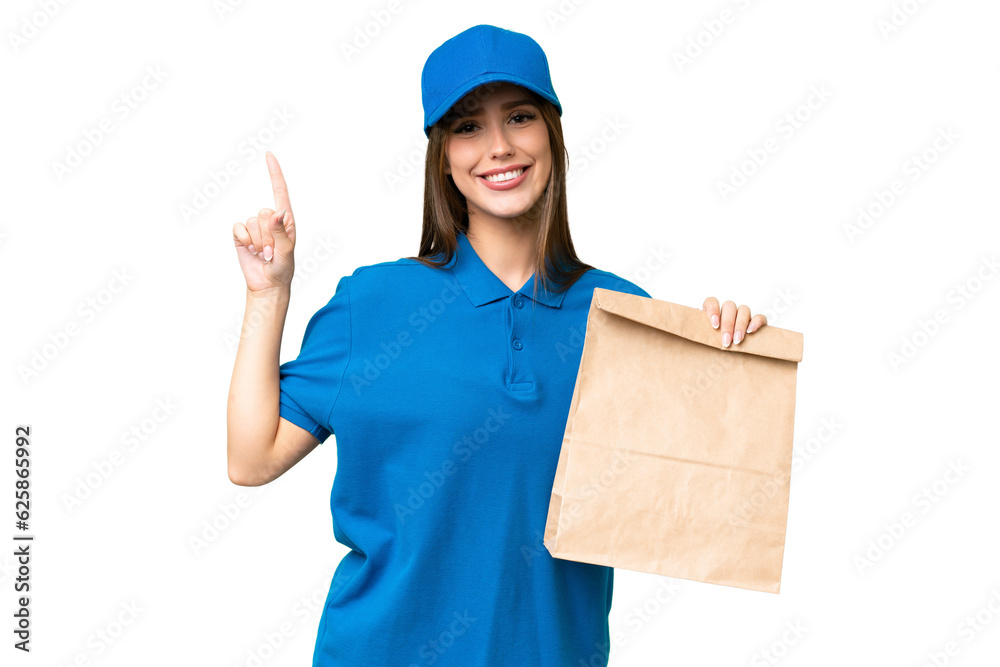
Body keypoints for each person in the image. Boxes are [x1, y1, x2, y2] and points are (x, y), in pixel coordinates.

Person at [227, 24, 767, 667]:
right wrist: (269, 296)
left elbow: (706, 504)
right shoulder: (372, 305)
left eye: (519, 117)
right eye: (468, 126)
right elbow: (251, 459)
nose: (500, 147)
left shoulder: (624, 316)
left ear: (552, 135)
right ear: (442, 156)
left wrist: (729, 363)